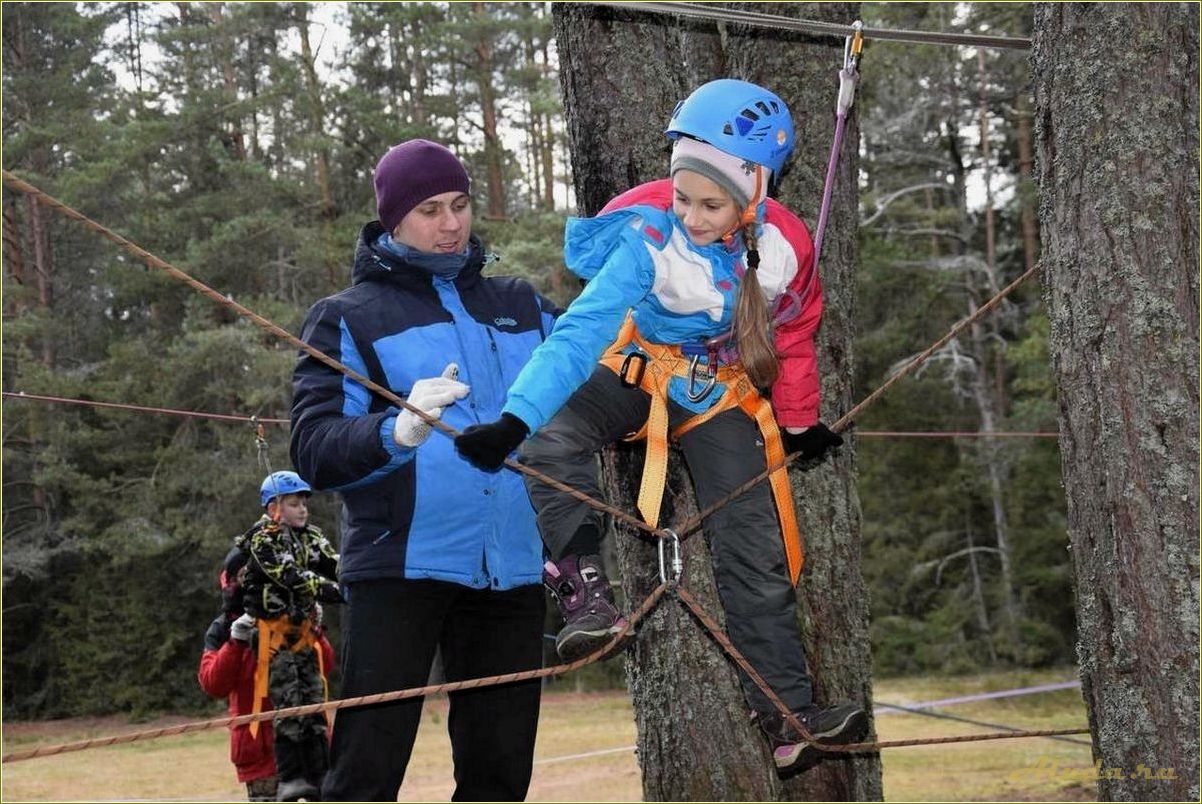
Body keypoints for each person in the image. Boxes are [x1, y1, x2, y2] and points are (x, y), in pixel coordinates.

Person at [455, 79, 868, 775]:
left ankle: (788, 719)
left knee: (752, 544)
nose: (694, 217)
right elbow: (579, 334)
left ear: (755, 191)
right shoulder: (649, 236)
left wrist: (797, 425)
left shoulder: (789, 248)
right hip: (631, 366)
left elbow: (794, 336)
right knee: (551, 436)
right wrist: (513, 418)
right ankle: (585, 590)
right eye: (683, 198)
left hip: (714, 391)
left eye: (712, 204)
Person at [290, 138, 561, 801]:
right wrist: (398, 429)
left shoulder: (523, 305)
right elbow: (314, 448)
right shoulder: (346, 317)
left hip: (513, 571)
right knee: (365, 776)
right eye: (430, 209)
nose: (450, 224)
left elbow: (594, 390)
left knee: (499, 779)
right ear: (392, 222)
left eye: (461, 204)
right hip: (399, 566)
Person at [229, 470, 342, 802]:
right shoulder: (264, 540)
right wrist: (338, 592)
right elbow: (292, 576)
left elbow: (332, 562)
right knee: (289, 702)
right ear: (274, 508)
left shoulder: (310, 536)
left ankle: (320, 772)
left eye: (304, 503)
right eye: (294, 504)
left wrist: (352, 575)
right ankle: (292, 776)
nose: (303, 510)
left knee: (314, 702)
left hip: (305, 635)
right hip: (274, 638)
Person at [198, 540, 335, 802]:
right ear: (231, 581)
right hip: (260, 752)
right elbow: (213, 684)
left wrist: (314, 629)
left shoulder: (294, 614)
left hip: (310, 743)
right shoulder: (224, 627)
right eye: (245, 574)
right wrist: (236, 641)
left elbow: (325, 667)